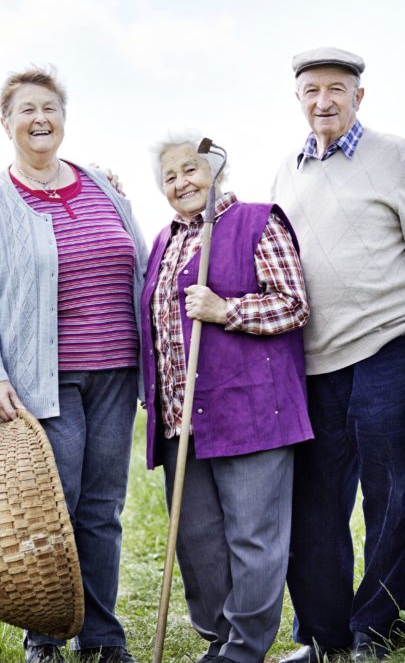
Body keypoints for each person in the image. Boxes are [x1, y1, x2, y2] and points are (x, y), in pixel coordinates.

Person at [271, 47, 405, 662]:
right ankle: (322, 636)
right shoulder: (286, 172)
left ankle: (374, 632)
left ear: (359, 96)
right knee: (314, 503)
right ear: (298, 98)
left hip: (390, 348)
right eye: (311, 90)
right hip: (314, 363)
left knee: (390, 496)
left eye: (336, 88)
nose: (323, 100)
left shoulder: (398, 158)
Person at [0, 66, 147, 663]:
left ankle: (102, 637)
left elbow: (141, 265)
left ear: (64, 117)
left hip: (117, 372)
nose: (40, 119)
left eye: (50, 108)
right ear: (5, 122)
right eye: (26, 110)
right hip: (45, 380)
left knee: (102, 508)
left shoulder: (103, 185)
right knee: (50, 507)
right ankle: (45, 637)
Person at [142, 134, 313, 663]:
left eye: (190, 169)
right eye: (169, 177)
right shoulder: (163, 242)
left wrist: (225, 310)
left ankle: (244, 650)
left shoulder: (258, 222)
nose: (181, 183)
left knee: (252, 537)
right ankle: (219, 640)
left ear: (217, 170)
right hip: (181, 419)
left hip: (251, 410)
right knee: (197, 540)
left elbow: (293, 305)